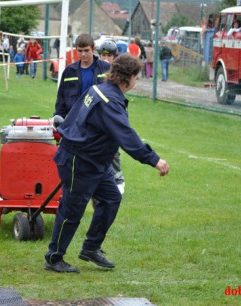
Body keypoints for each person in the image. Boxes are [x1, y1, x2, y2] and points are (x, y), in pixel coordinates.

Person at [44, 53, 170, 273]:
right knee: (72, 211)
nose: (136, 81)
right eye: (136, 77)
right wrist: (154, 159)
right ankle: (54, 258)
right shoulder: (108, 99)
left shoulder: (100, 89)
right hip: (78, 161)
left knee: (111, 198)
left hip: (95, 162)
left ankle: (91, 248)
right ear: (128, 77)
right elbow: (126, 135)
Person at [54, 33, 111, 118]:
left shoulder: (106, 69)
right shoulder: (69, 71)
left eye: (86, 50)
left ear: (93, 49)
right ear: (75, 49)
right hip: (74, 120)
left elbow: (114, 96)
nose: (83, 54)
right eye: (80, 51)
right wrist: (58, 119)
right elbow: (61, 100)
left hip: (98, 120)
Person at [97, 40, 125, 194]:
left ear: (115, 57)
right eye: (103, 55)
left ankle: (118, 182)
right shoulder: (95, 70)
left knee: (113, 151)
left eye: (109, 56)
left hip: (111, 118)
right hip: (95, 118)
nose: (106, 59)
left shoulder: (117, 75)